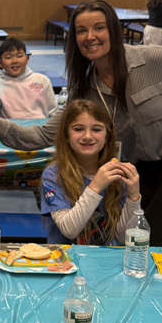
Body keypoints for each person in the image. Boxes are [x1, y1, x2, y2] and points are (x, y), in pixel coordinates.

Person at [0, 0, 162, 247]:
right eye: (81, 31)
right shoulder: (85, 89)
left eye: (99, 27)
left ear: (112, 29)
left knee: (149, 239)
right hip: (144, 168)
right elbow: (44, 135)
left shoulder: (161, 59)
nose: (90, 36)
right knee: (129, 237)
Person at [41, 100, 141, 245]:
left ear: (107, 136)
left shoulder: (117, 173)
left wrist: (133, 198)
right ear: (66, 136)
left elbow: (123, 238)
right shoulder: (53, 175)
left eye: (96, 129)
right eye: (78, 129)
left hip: (106, 261)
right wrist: (95, 186)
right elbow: (69, 230)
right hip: (66, 263)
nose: (87, 136)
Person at [0, 36, 58, 119]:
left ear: (27, 59)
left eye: (19, 56)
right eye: (8, 57)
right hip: (11, 130)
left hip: (40, 130)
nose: (14, 61)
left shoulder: (42, 80)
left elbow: (53, 113)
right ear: (0, 63)